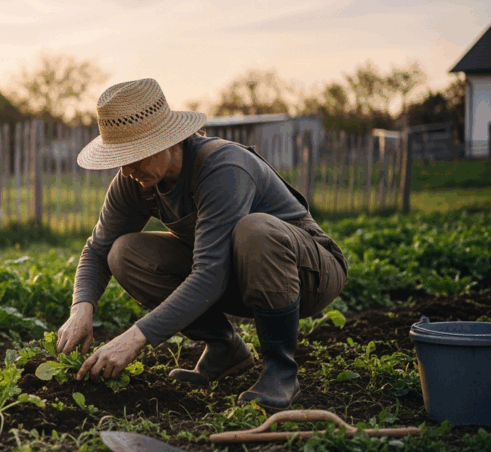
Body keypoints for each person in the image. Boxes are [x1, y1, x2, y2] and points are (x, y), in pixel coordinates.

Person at [55, 78, 347, 411]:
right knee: (123, 254)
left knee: (256, 230)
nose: (127, 167)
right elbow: (97, 249)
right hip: (235, 275)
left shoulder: (223, 168)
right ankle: (225, 349)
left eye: (135, 154)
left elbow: (209, 274)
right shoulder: (135, 180)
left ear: (166, 140)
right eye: (120, 156)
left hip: (310, 274)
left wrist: (135, 337)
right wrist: (82, 308)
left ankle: (280, 370)